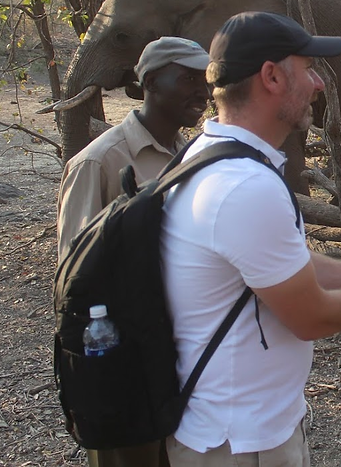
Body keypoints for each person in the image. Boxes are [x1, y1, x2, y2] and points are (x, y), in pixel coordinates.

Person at [160, 11, 341, 467]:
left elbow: (285, 266)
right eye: (308, 70)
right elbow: (310, 318)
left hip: (231, 429)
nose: (318, 84)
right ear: (272, 77)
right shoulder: (245, 187)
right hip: (239, 443)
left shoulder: (205, 156)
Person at [56, 36, 212, 467]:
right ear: (148, 83)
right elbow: (74, 279)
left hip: (177, 354)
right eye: (186, 78)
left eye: (205, 79)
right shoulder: (99, 162)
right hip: (121, 365)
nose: (201, 90)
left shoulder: (190, 156)